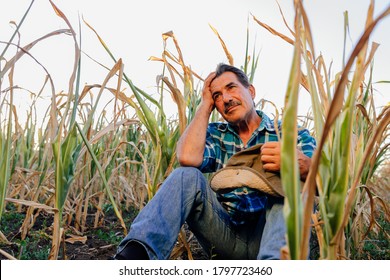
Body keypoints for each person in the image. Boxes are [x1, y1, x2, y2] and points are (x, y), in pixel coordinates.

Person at [114, 63, 316, 260]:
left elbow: (326, 183)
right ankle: (133, 260)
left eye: (231, 88)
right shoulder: (215, 134)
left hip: (271, 237)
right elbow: (186, 157)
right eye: (217, 96)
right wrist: (205, 105)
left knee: (293, 187)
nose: (226, 99)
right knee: (186, 175)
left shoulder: (291, 134)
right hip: (226, 236)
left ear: (251, 91)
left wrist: (305, 166)